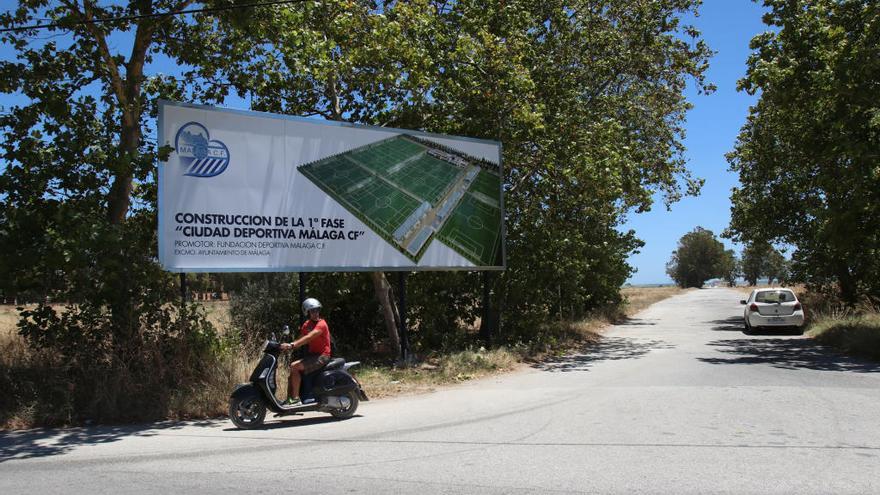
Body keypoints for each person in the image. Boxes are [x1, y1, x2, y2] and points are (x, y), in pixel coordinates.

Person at [280, 297, 331, 405]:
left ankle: (296, 399)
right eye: (312, 311)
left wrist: (292, 345)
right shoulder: (306, 325)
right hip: (312, 356)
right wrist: (285, 347)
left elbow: (309, 337)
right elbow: (301, 338)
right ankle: (290, 398)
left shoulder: (321, 324)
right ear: (307, 312)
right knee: (293, 369)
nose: (315, 313)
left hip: (322, 356)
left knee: (294, 366)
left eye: (317, 310)